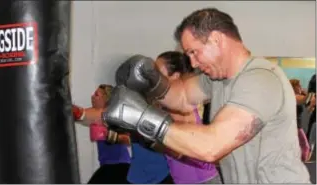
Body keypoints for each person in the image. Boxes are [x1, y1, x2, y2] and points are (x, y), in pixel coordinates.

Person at [104, 8, 311, 183]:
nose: (192, 63)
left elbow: (211, 146)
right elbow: (182, 97)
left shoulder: (261, 80)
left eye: (194, 52)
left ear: (216, 40)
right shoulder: (217, 78)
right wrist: (152, 80)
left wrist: (142, 117)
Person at [154, 51, 221, 184]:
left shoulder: (177, 108)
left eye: (158, 73)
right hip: (187, 179)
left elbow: (179, 150)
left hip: (200, 180)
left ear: (175, 76)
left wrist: (150, 138)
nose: (154, 77)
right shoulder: (171, 105)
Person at [72, 85, 131, 184]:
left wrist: (113, 137)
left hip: (119, 166)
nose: (92, 96)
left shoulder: (112, 115)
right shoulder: (96, 115)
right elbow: (82, 115)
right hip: (109, 166)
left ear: (106, 98)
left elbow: (129, 140)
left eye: (96, 95)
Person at [289, 79, 311, 162]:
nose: (301, 87)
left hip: (295, 127)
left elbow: (308, 107)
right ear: (294, 87)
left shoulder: (296, 96)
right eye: (299, 85)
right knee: (305, 146)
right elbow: (305, 99)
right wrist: (311, 91)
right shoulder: (293, 96)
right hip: (295, 127)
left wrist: (311, 103)